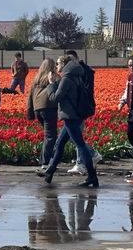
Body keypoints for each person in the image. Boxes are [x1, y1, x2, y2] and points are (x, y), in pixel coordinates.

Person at [36, 55, 99, 187]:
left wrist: (52, 84)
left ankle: (92, 177)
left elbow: (55, 98)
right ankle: (50, 172)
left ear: (64, 64)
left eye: (58, 64)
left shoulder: (66, 78)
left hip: (70, 116)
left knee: (81, 145)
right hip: (75, 114)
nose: (56, 67)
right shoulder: (76, 75)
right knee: (59, 144)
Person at [64, 50, 102, 175]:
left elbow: (84, 90)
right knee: (73, 137)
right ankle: (91, 155)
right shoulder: (78, 70)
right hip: (74, 108)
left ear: (75, 59)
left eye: (70, 61)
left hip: (80, 107)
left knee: (76, 137)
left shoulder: (83, 71)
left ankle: (81, 163)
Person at [26, 57, 58, 168]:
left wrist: (30, 113)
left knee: (47, 135)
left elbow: (30, 96)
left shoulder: (36, 78)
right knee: (50, 136)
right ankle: (45, 162)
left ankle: (47, 159)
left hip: (37, 109)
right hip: (49, 108)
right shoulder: (53, 77)